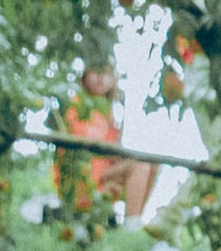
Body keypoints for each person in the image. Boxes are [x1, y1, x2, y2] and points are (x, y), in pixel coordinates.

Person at [59, 64, 156, 224]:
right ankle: (132, 224)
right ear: (85, 75)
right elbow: (86, 142)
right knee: (140, 164)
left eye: (107, 74)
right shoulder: (77, 105)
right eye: (96, 72)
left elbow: (112, 152)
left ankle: (135, 220)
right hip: (84, 175)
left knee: (151, 163)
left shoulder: (108, 112)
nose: (101, 78)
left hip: (104, 174)